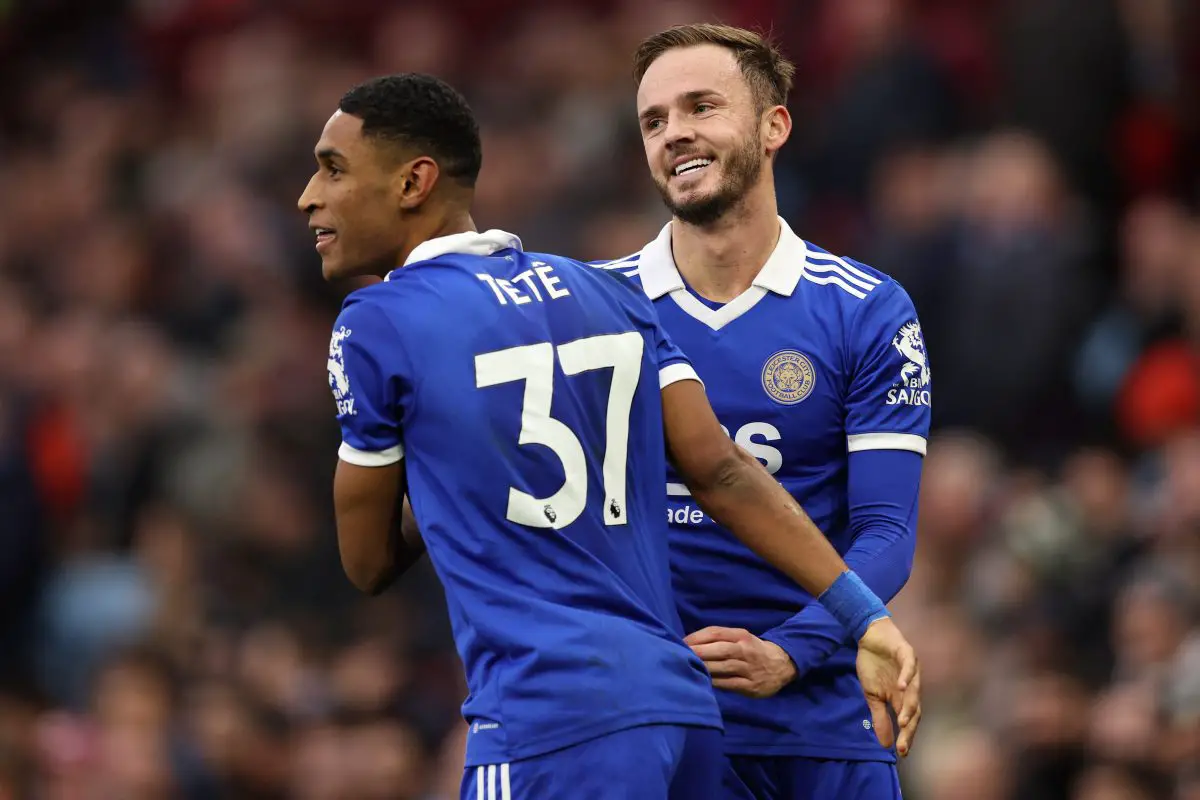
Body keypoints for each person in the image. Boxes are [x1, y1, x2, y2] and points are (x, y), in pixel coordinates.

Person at [298, 73, 919, 800]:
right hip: (682, 711)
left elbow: (367, 562)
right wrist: (863, 615)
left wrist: (453, 466)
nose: (309, 195)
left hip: (547, 715)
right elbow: (721, 470)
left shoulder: (375, 323)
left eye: (333, 168)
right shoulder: (606, 292)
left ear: (414, 183)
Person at [599, 23, 929, 799]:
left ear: (773, 125)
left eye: (701, 106)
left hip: (819, 727)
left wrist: (793, 650)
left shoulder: (867, 311)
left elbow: (888, 530)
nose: (675, 132)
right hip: (651, 721)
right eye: (654, 120)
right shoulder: (594, 309)